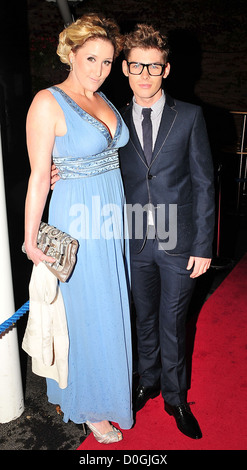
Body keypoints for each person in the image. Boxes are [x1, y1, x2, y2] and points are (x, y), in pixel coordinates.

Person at [24, 13, 133, 444]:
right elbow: (37, 176)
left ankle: (111, 392)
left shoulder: (103, 99)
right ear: (71, 53)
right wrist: (30, 238)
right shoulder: (47, 102)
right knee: (85, 313)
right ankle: (88, 404)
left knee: (112, 306)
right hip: (77, 216)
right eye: (91, 58)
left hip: (111, 215)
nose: (99, 70)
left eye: (107, 62)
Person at [119, 24, 215, 440]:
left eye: (153, 67)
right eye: (137, 65)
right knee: (143, 320)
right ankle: (148, 380)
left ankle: (175, 397)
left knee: (174, 323)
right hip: (133, 239)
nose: (144, 74)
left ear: (166, 69)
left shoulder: (190, 116)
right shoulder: (112, 118)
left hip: (180, 241)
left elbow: (204, 182)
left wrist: (204, 244)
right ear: (124, 68)